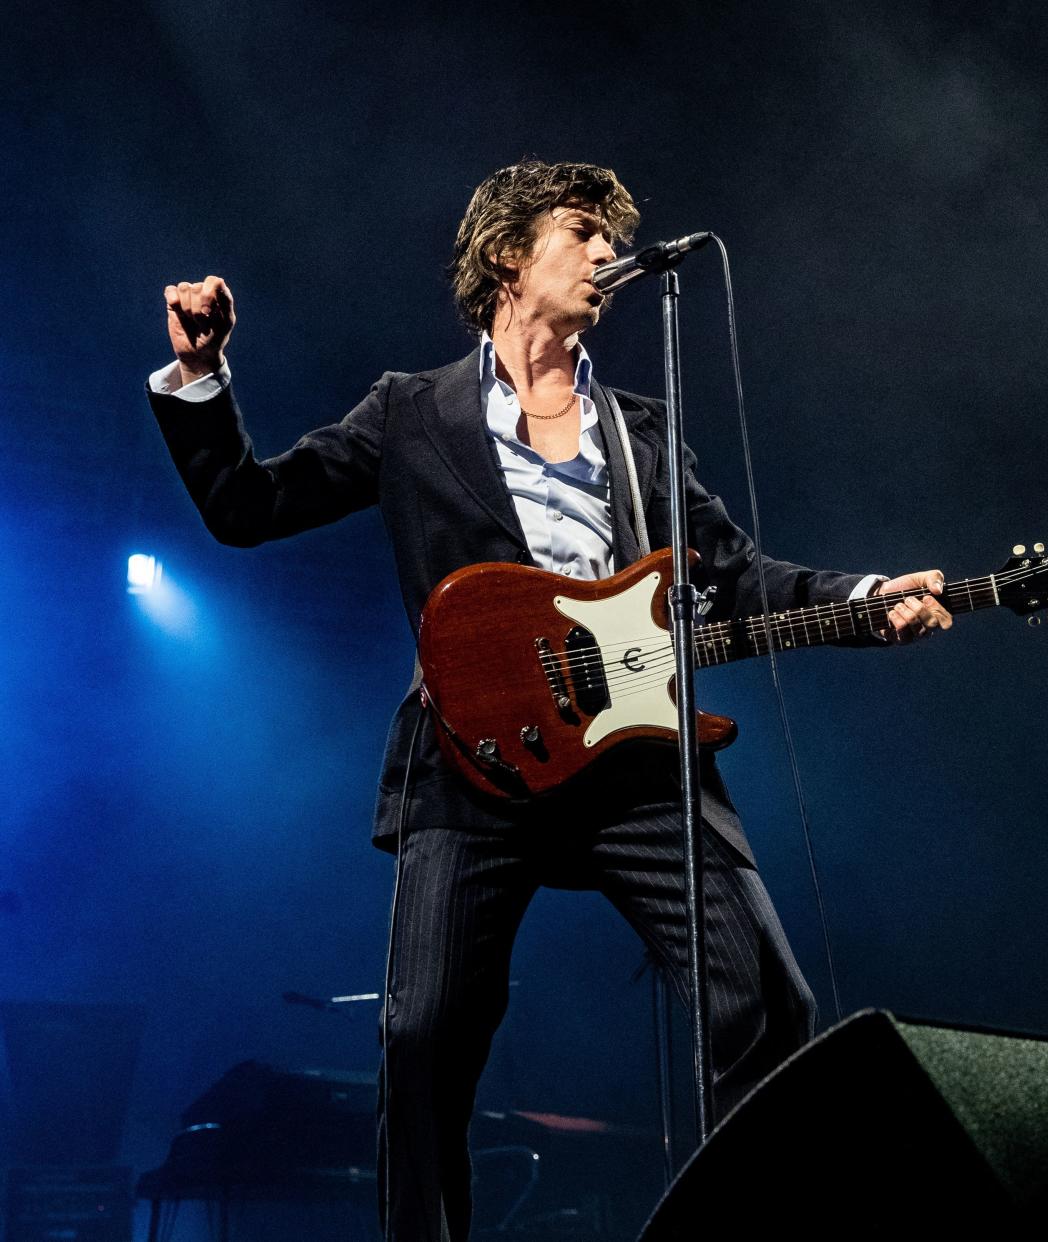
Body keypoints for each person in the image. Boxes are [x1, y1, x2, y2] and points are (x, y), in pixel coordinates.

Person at [149, 158, 952, 1242]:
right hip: (470, 764)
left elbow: (732, 571)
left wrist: (863, 595)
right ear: (505, 257)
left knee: (764, 1000)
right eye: (582, 232)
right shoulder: (410, 411)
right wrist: (203, 376)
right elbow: (250, 506)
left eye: (613, 237)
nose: (608, 256)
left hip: (631, 763)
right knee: (423, 1036)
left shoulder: (638, 428)